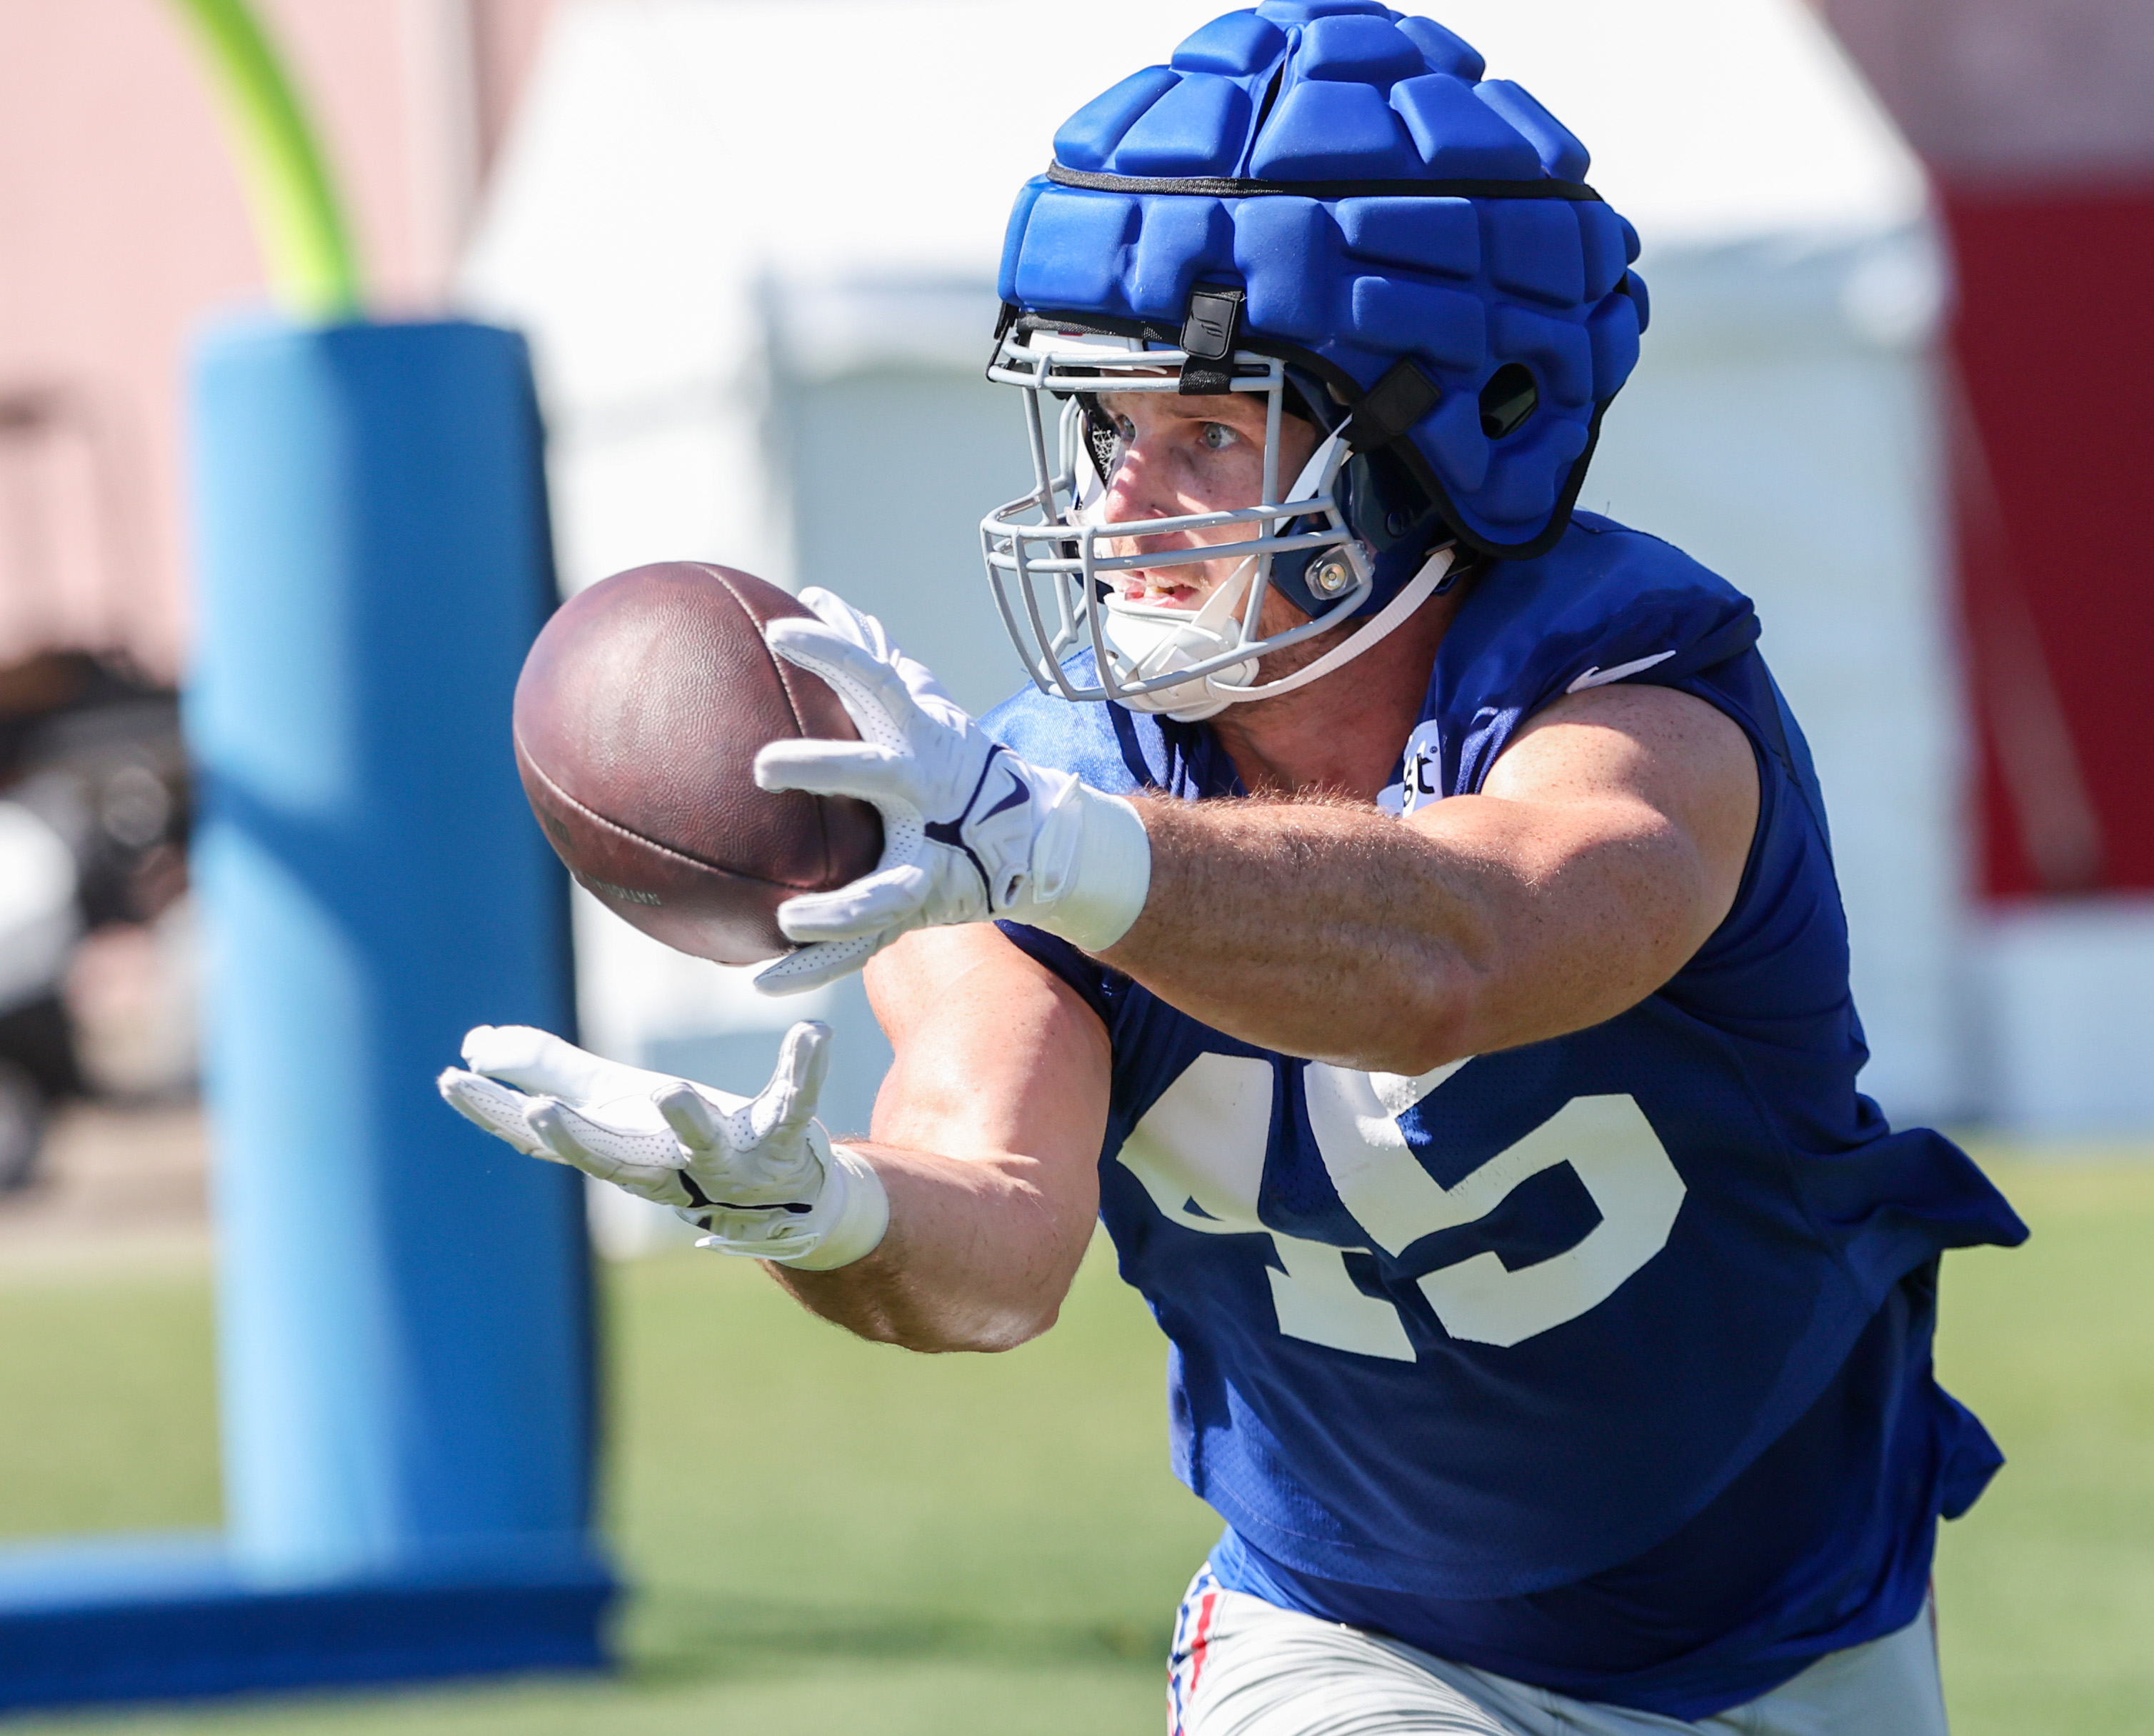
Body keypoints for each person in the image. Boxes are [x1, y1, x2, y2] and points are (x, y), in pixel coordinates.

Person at [441, 5, 2028, 1730]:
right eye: (1103, 427)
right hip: (1352, 1631)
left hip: (1799, 1611)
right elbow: (994, 1253)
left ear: (1443, 441)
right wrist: (822, 1213)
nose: (1122, 503)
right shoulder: (1011, 810)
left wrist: (1050, 852)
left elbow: (1462, 949)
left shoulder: (1637, 707)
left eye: (1204, 432)